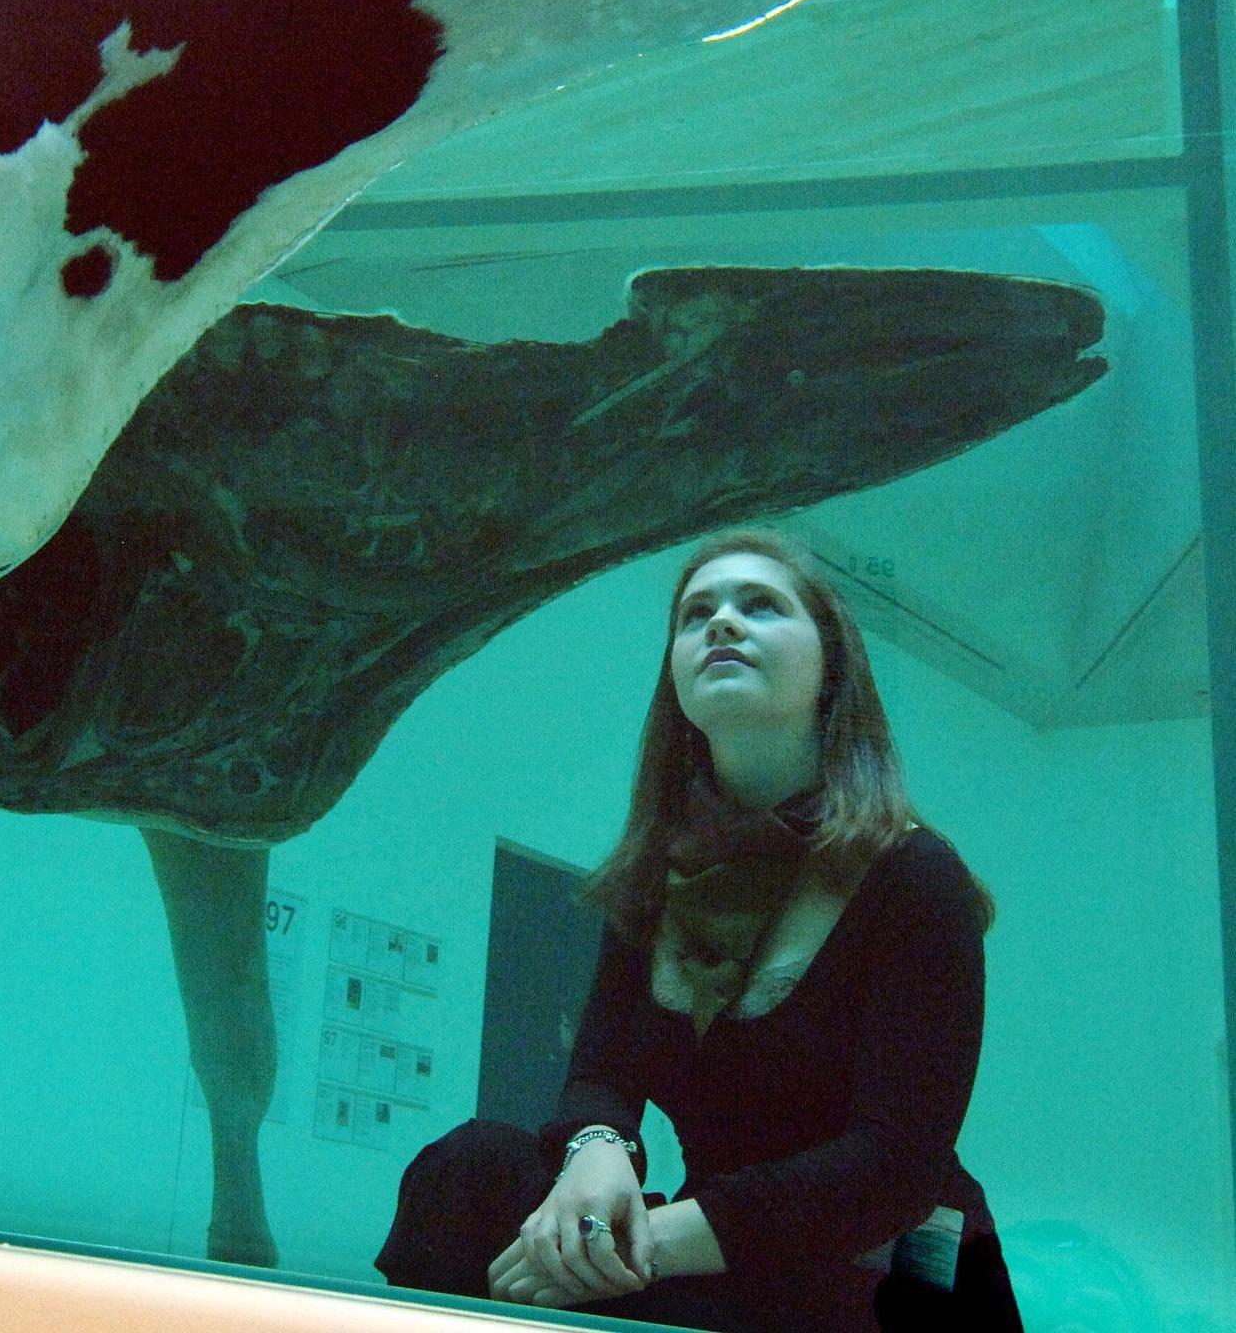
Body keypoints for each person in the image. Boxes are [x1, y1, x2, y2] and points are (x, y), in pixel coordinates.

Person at [375, 528, 1022, 1331]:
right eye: (696, 614)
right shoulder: (654, 880)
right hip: (722, 1254)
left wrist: (631, 1244)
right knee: (471, 1171)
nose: (721, 623)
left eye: (760, 606)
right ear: (675, 677)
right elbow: (602, 1075)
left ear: (832, 667)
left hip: (895, 1271)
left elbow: (892, 1169)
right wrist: (596, 1153)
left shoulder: (917, 877)